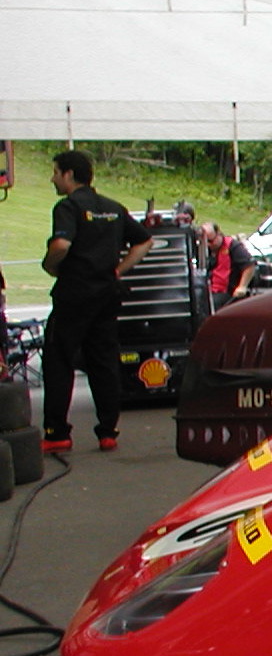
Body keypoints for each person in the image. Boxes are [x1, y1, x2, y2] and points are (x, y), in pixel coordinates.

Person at [40, 149, 153, 453]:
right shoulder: (113, 207)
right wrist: (119, 269)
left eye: (54, 172)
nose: (52, 178)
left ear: (67, 174)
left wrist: (50, 265)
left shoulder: (67, 207)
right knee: (103, 361)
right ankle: (108, 432)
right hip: (106, 294)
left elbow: (62, 244)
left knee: (58, 359)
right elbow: (144, 240)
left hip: (74, 294)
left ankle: (56, 433)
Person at [200, 221, 256, 309]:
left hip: (228, 292)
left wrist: (242, 287)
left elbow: (249, 265)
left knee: (211, 306)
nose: (208, 244)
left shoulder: (233, 247)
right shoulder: (204, 249)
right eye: (205, 241)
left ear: (219, 234)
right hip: (210, 290)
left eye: (210, 241)